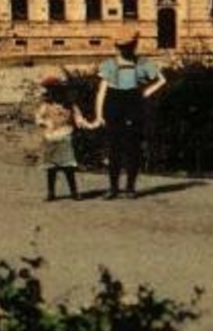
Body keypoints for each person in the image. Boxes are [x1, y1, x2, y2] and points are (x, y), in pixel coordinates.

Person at [90, 26, 166, 200]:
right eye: (122, 46)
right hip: (113, 104)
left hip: (134, 104)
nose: (125, 49)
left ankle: (130, 188)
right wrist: (99, 115)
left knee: (133, 148)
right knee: (114, 148)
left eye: (129, 46)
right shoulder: (109, 65)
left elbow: (162, 80)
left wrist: (146, 92)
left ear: (135, 44)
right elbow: (102, 91)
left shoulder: (143, 63)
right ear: (117, 46)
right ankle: (113, 188)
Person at [35, 75, 90, 201]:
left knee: (68, 166)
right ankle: (51, 192)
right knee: (51, 167)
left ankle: (74, 191)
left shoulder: (69, 104)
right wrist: (44, 122)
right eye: (52, 91)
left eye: (57, 90)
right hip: (51, 137)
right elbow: (38, 117)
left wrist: (83, 123)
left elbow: (78, 116)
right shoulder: (46, 105)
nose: (55, 94)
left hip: (65, 135)